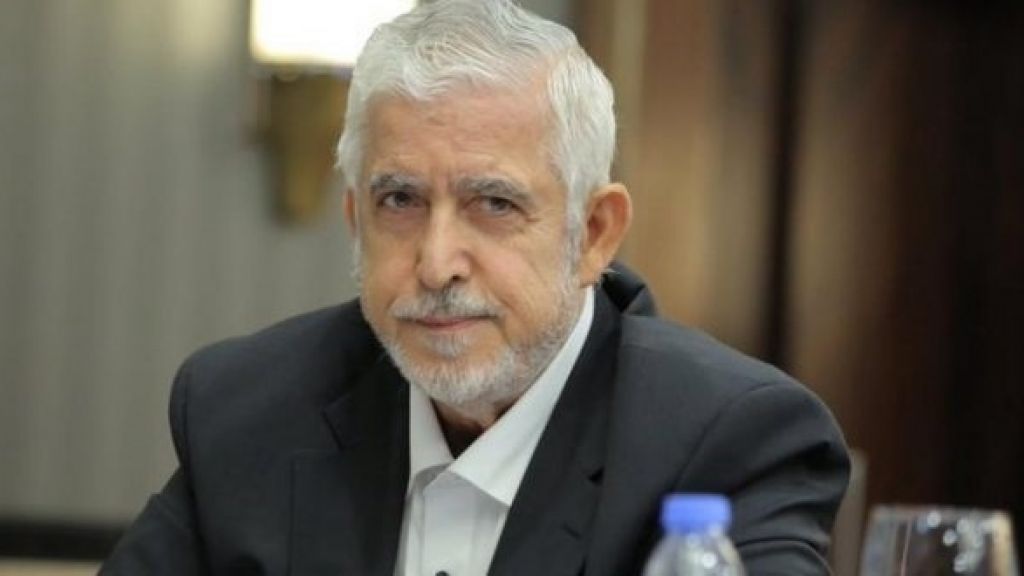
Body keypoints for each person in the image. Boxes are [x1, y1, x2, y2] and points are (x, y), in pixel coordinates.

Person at [102, 0, 849, 574]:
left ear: (593, 234)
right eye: (400, 201)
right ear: (356, 220)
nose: (436, 265)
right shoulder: (249, 408)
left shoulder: (729, 441)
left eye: (494, 203)